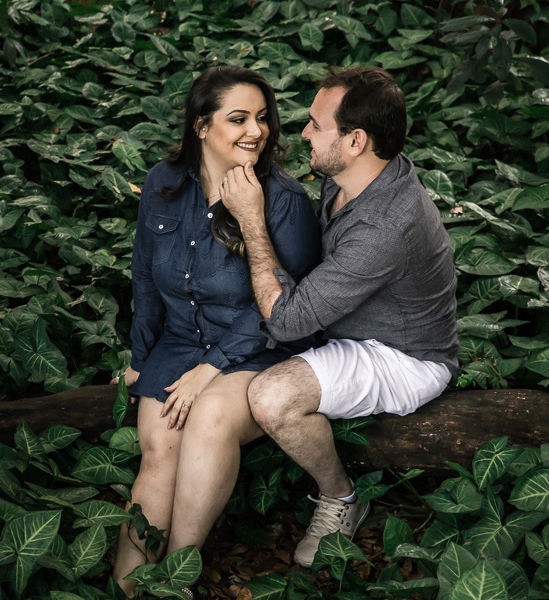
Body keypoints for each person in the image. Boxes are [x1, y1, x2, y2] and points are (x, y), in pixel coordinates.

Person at [219, 66, 459, 568]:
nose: (303, 132)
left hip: (402, 355)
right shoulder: (354, 174)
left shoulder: (386, 225)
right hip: (344, 325)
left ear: (355, 140)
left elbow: (286, 322)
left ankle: (341, 498)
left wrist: (251, 220)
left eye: (315, 124)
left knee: (271, 397)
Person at [111, 66, 321, 597]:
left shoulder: (285, 200)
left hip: (262, 348)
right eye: (239, 118)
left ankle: (178, 573)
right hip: (179, 342)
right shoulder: (163, 182)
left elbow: (286, 308)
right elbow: (144, 275)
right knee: (159, 446)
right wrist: (141, 355)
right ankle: (127, 589)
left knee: (207, 415)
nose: (257, 130)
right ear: (202, 127)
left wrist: (212, 367)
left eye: (262, 118)